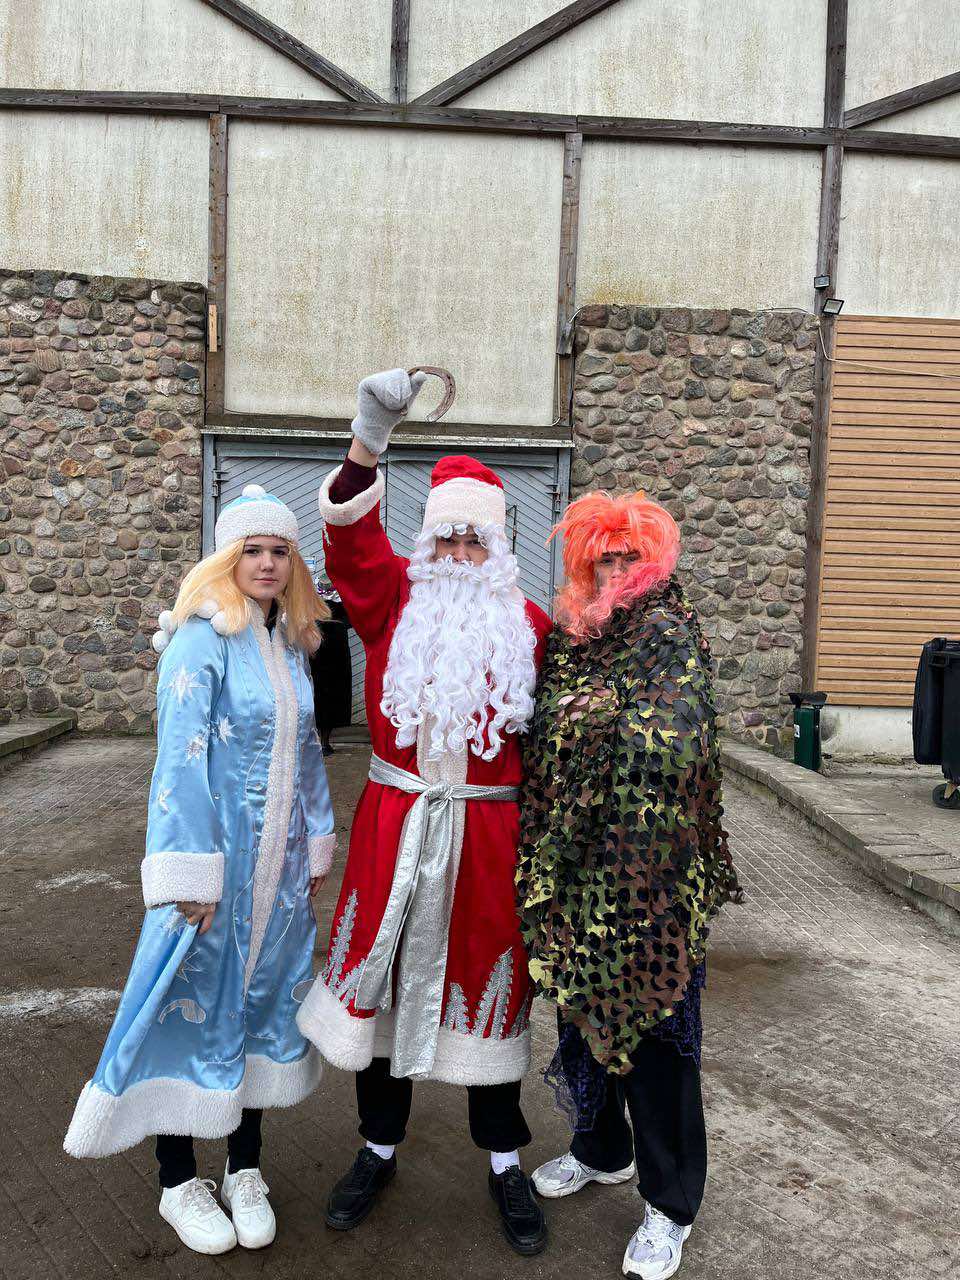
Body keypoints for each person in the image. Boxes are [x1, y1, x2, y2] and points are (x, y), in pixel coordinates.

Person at [296, 369, 553, 1255]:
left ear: (498, 545)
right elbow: (348, 542)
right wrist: (370, 433)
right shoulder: (395, 603)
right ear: (428, 540)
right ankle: (377, 1147)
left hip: (489, 838)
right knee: (381, 984)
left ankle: (505, 1162)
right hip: (395, 828)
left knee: (490, 987)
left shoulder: (531, 626)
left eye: (474, 540)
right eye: (446, 537)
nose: (458, 554)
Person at [64, 484, 338, 1256]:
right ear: (226, 557)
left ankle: (245, 1166)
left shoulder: (292, 643)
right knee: (188, 1011)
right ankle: (178, 1178)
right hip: (214, 877)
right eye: (252, 550)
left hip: (279, 879)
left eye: (279, 551)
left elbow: (308, 753)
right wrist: (190, 879)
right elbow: (179, 767)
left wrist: (317, 839)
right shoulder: (199, 638)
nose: (266, 563)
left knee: (256, 1012)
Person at [515, 490, 743, 1280]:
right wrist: (591, 721)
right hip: (578, 875)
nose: (614, 570)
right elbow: (546, 735)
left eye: (628, 558)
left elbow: (670, 745)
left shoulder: (669, 631)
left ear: (654, 561)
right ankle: (601, 1150)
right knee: (581, 1016)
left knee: (654, 1039)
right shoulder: (575, 638)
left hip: (650, 880)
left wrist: (589, 722)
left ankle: (670, 1204)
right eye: (602, 559)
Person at [310, 583, 352, 756]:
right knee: (317, 693)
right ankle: (318, 740)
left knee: (332, 693)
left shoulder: (343, 594)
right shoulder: (312, 592)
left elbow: (352, 619)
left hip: (336, 650)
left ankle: (325, 741)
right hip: (316, 649)